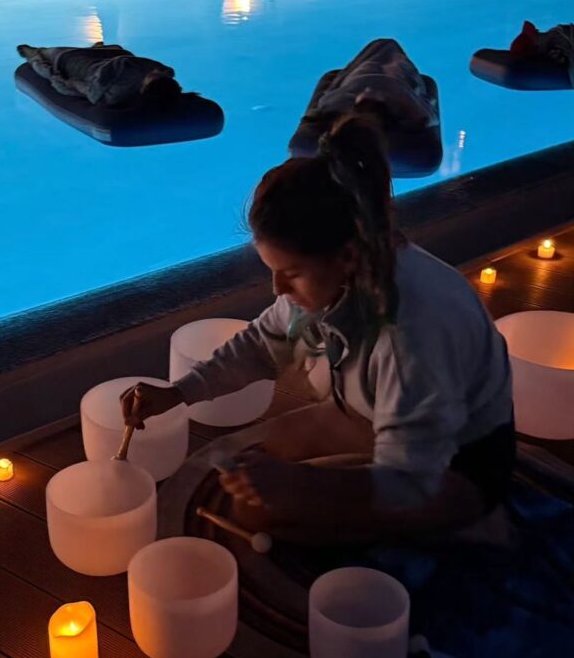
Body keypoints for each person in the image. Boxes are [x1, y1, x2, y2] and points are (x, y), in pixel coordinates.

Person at [120, 113, 515, 547]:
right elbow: (260, 345)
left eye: (290, 273)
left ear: (346, 256)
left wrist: (303, 486)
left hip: (453, 464)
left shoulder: (410, 336)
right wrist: (178, 393)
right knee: (247, 474)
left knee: (267, 513)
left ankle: (474, 520)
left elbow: (411, 480)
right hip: (370, 417)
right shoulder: (344, 266)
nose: (277, 288)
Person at [300, 38, 438, 138]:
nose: (368, 90)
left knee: (380, 54)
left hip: (365, 73)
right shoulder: (402, 100)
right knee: (390, 53)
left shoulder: (336, 104)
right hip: (387, 77)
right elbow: (427, 114)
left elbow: (321, 105)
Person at [17, 41, 183, 108]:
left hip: (72, 61)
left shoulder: (108, 93)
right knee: (118, 50)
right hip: (109, 57)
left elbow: (72, 86)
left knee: (48, 60)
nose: (156, 72)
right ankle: (97, 49)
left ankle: (32, 54)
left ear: (146, 87)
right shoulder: (161, 72)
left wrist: (62, 82)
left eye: (155, 76)